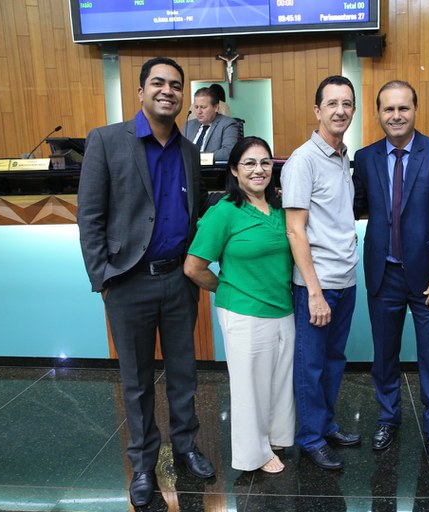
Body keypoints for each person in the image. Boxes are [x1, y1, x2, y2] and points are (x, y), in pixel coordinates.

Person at [77, 56, 215, 507]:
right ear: (140, 92)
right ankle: (142, 464)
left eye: (175, 85)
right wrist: (103, 278)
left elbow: (194, 211)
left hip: (178, 281)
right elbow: (90, 216)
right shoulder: (106, 140)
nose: (167, 91)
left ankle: (186, 446)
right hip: (128, 282)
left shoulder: (188, 150)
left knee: (184, 373)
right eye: (158, 83)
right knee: (136, 380)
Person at [353, 80, 429, 466]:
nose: (396, 115)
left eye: (403, 108)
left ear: (415, 110)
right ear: (378, 114)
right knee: (384, 355)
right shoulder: (365, 157)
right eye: (389, 109)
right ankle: (388, 418)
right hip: (383, 274)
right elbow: (353, 205)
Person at [184, 136, 295, 474]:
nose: (258, 170)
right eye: (249, 163)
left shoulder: (280, 208)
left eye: (264, 163)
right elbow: (194, 267)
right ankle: (253, 455)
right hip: (244, 312)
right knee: (250, 387)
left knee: (279, 381)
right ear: (234, 170)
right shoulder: (224, 212)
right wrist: (229, 289)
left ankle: (276, 437)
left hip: (283, 307)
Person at [281, 75, 361, 470]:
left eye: (347, 103)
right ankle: (310, 437)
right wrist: (313, 292)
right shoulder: (304, 160)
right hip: (318, 285)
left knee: (333, 360)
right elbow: (295, 230)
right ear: (317, 110)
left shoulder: (343, 157)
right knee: (310, 366)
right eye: (332, 103)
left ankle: (326, 424)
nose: (340, 111)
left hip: (346, 281)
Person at [184, 86, 239, 161]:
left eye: (203, 107)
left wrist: (198, 157)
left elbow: (228, 153)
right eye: (196, 107)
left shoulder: (228, 124)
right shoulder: (189, 125)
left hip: (210, 168)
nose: (198, 112)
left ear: (216, 107)